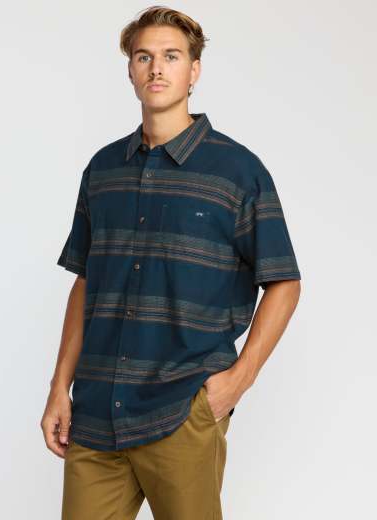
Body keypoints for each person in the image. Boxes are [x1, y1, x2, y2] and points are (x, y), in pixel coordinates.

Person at [40, 6, 302, 519]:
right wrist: (58, 389)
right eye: (144, 57)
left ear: (194, 70)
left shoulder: (237, 172)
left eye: (171, 56)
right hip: (96, 415)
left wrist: (238, 380)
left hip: (182, 411)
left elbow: (284, 282)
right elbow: (86, 282)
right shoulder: (103, 170)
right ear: (130, 70)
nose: (156, 68)